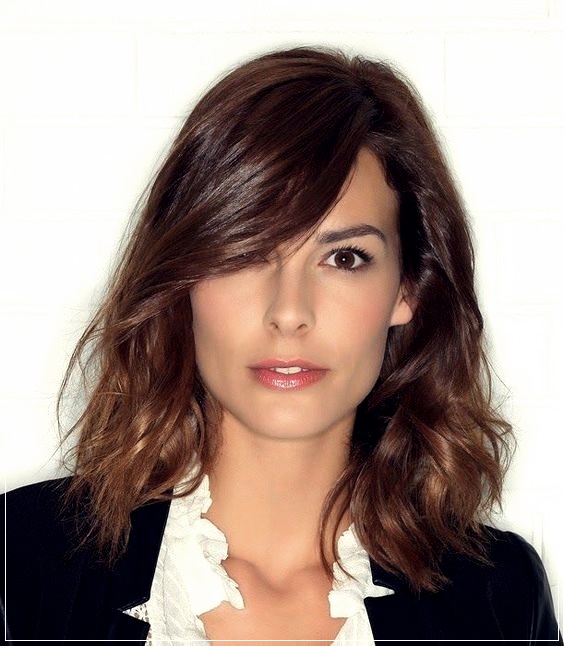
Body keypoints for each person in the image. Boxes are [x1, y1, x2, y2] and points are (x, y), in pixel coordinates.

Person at [2, 46, 561, 645]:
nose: (289, 313)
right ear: (183, 281)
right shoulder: (21, 561)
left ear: (408, 289)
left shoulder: (497, 598)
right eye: (246, 253)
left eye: (344, 258)